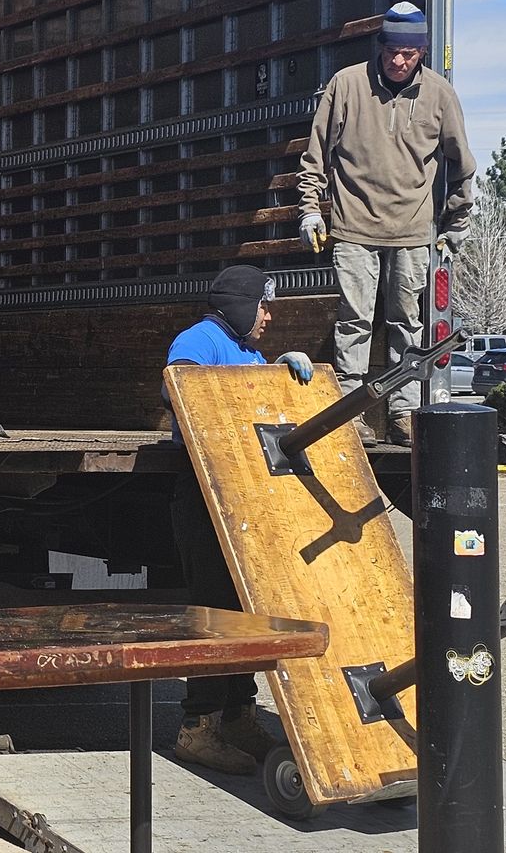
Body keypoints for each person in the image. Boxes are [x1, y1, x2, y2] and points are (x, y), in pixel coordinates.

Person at [297, 1, 476, 447]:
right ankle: (349, 415)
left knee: (406, 325)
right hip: (354, 226)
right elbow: (315, 154)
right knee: (354, 321)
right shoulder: (347, 85)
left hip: (414, 232)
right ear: (381, 46)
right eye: (393, 50)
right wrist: (311, 209)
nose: (399, 61)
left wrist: (456, 224)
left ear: (422, 53)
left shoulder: (439, 95)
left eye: (409, 53)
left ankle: (401, 414)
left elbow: (462, 164)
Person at [165, 264, 312, 774]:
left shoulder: (250, 352)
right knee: (212, 612)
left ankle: (237, 714)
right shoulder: (200, 339)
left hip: (244, 498)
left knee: (244, 612)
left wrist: (282, 376)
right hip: (205, 496)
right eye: (264, 306)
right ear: (241, 305)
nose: (269, 316)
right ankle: (197, 726)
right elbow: (177, 386)